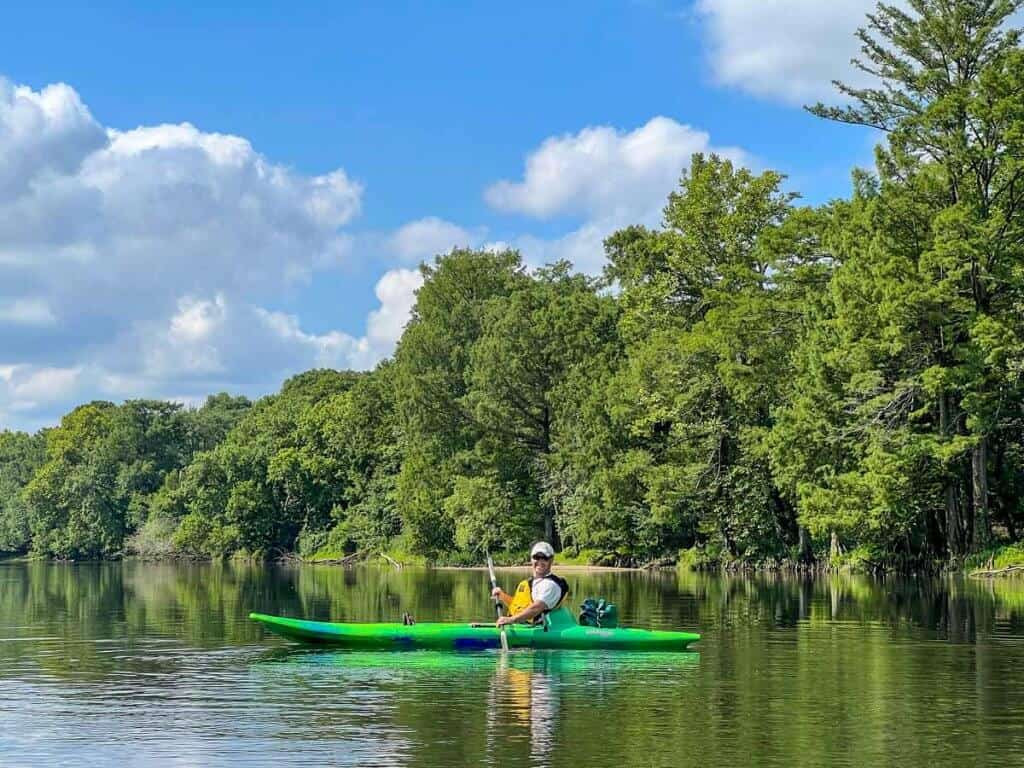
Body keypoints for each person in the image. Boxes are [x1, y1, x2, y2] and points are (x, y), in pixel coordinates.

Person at [492, 542, 569, 626]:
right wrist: (502, 596)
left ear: (551, 560)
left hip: (536, 629)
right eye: (536, 557)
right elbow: (518, 607)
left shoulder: (550, 585)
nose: (540, 561)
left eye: (544, 558)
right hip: (519, 626)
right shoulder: (529, 583)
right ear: (531, 559)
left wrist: (511, 619)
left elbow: (536, 608)